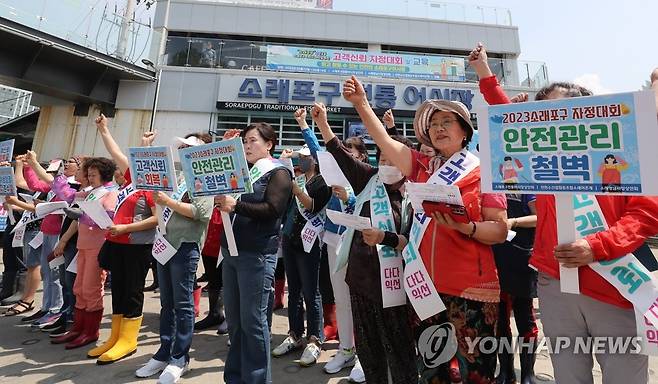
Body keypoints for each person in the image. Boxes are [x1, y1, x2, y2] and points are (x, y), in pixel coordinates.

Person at [471, 42, 658, 384]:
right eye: (543, 115)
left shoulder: (626, 155)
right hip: (555, 285)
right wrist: (485, 73)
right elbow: (507, 120)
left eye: (564, 111)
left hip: (613, 285)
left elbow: (646, 213)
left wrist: (597, 247)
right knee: (569, 375)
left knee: (624, 376)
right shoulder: (538, 161)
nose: (552, 124)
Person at [343, 75, 509, 382]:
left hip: (470, 288)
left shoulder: (484, 170)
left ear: (464, 131)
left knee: (477, 372)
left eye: (448, 121)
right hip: (424, 286)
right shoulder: (420, 167)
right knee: (433, 369)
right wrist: (361, 105)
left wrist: (466, 226)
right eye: (434, 124)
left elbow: (499, 231)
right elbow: (385, 142)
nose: (439, 128)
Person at [312, 102, 419, 383]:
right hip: (361, 280)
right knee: (369, 349)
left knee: (400, 350)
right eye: (382, 158)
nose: (385, 165)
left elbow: (418, 241)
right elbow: (340, 153)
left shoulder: (416, 195)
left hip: (397, 287)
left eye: (391, 160)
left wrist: (386, 238)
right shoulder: (368, 179)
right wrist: (322, 123)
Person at [291, 108, 366, 380]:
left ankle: (364, 354)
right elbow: (317, 149)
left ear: (361, 158)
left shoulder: (365, 177)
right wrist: (303, 124)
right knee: (342, 298)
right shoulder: (333, 171)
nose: (345, 158)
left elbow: (365, 207)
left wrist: (348, 199)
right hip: (332, 239)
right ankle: (346, 349)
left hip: (358, 244)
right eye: (343, 153)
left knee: (360, 300)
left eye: (352, 154)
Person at [214, 123, 293, 384]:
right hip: (231, 252)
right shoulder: (241, 170)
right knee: (235, 322)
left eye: (252, 141)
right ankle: (235, 377)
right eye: (244, 142)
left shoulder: (278, 172)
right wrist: (223, 149)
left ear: (269, 144)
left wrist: (236, 206)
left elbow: (274, 209)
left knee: (254, 322)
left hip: (257, 254)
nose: (247, 146)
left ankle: (258, 379)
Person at [135, 133, 213, 384]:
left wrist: (169, 201)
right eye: (181, 146)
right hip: (164, 244)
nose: (182, 150)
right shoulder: (177, 176)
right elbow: (147, 174)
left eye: (188, 147)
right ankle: (164, 351)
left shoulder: (204, 177)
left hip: (185, 246)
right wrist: (146, 147)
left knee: (182, 303)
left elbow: (201, 212)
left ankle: (180, 357)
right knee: (167, 303)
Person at [86, 115, 159, 364]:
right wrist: (103, 129)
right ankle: (115, 337)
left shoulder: (152, 186)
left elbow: (156, 220)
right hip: (116, 243)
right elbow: (115, 151)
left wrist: (125, 227)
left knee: (132, 291)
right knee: (117, 290)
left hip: (137, 246)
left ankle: (128, 340)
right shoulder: (129, 181)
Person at [273, 135, 332, 367]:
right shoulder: (297, 177)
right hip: (290, 239)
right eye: (301, 158)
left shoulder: (322, 182)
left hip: (310, 243)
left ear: (314, 160)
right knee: (294, 290)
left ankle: (315, 339)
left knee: (311, 291)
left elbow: (314, 207)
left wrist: (297, 191)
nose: (303, 161)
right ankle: (295, 334)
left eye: (306, 157)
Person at [50, 157, 119, 350]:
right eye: (88, 174)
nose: (90, 177)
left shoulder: (110, 192)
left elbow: (108, 219)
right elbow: (68, 197)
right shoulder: (90, 192)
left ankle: (90, 331)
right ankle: (77, 328)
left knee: (91, 288)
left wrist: (85, 216)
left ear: (104, 175)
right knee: (78, 288)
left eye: (94, 174)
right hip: (83, 245)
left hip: (97, 245)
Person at [492, 194, 538, 384]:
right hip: (496, 255)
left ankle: (528, 373)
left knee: (524, 317)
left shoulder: (526, 181)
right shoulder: (489, 181)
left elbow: (540, 216)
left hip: (521, 256)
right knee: (500, 319)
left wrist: (514, 222)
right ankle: (506, 371)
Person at [194, 205, 228, 335]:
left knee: (229, 282)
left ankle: (232, 317)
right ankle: (215, 313)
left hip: (228, 232)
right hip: (208, 233)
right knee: (213, 279)